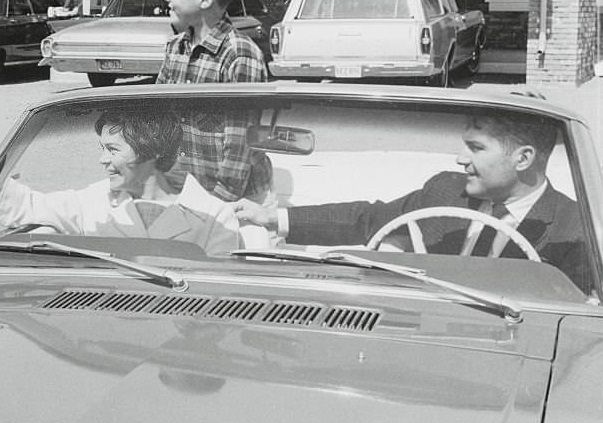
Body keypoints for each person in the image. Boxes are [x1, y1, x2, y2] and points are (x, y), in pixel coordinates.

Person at [233, 111, 593, 294]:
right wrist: (271, 217)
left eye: (476, 148)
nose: (459, 159)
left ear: (524, 159)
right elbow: (368, 219)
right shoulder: (446, 190)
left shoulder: (575, 229)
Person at [0, 109, 242, 257]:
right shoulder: (92, 201)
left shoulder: (215, 217)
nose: (102, 160)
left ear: (151, 151)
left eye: (112, 150)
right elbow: (22, 207)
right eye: (102, 149)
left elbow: (221, 301)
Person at [156, 0, 270, 203]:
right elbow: (158, 116)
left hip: (235, 199)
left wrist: (221, 201)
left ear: (204, 0)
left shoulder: (239, 54)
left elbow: (241, 141)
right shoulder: (175, 48)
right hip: (184, 190)